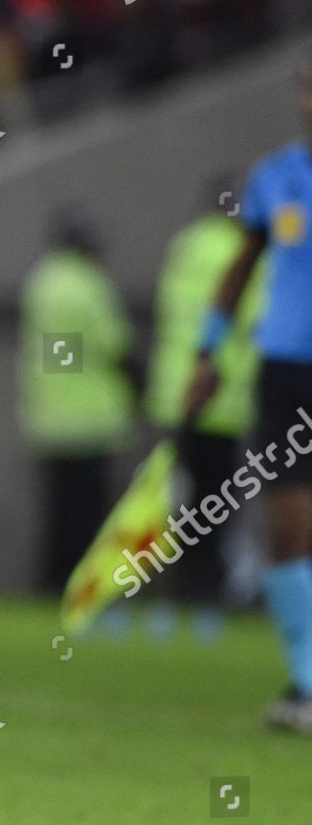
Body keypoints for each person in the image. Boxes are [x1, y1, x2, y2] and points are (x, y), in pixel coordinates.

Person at [191, 56, 312, 730]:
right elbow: (240, 271)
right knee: (289, 524)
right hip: (288, 370)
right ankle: (305, 684)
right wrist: (208, 351)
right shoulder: (275, 179)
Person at [145, 183, 265, 630]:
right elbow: (253, 320)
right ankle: (206, 591)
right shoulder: (241, 252)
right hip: (222, 394)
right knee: (215, 503)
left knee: (175, 500)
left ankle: (166, 591)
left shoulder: (183, 246)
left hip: (174, 392)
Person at [18, 212, 137, 593]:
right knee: (89, 514)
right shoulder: (89, 285)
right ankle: (86, 585)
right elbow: (114, 345)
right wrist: (140, 386)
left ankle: (50, 583)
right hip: (91, 417)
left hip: (49, 414)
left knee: (58, 512)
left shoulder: (42, 282)